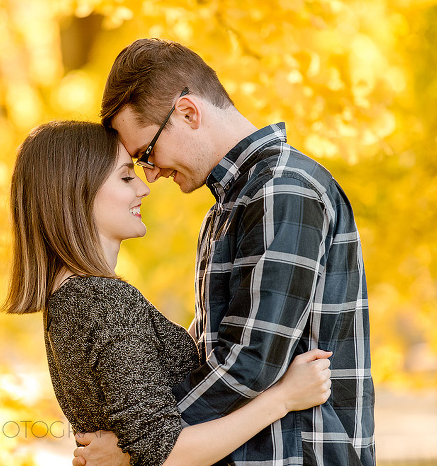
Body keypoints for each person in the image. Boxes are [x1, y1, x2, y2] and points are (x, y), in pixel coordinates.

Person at [75, 39, 375, 466]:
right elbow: (212, 355)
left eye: (147, 152)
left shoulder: (280, 189)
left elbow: (250, 362)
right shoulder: (227, 209)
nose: (152, 174)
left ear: (187, 112)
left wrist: (136, 446)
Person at [2, 120, 333, 466]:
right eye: (126, 177)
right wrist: (284, 398)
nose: (144, 189)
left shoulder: (74, 297)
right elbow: (167, 453)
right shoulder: (101, 300)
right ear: (76, 191)